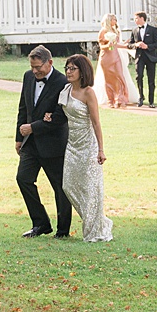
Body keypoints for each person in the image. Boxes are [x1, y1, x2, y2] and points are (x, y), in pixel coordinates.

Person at [15, 46, 72, 238]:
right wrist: (18, 137)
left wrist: (34, 127)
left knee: (60, 187)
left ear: (50, 63)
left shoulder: (63, 82)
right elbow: (23, 108)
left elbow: (60, 117)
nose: (34, 71)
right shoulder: (28, 77)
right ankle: (40, 224)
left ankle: (63, 231)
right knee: (23, 178)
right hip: (30, 143)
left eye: (38, 67)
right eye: (32, 67)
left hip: (54, 144)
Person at [58, 53, 113, 242]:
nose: (68, 71)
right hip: (72, 144)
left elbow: (96, 123)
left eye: (73, 68)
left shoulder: (88, 92)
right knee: (68, 185)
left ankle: (94, 229)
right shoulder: (65, 90)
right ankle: (95, 219)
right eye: (67, 68)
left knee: (90, 187)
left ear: (82, 72)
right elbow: (60, 114)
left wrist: (100, 149)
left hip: (88, 144)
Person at [96, 14, 135, 108]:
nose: (115, 21)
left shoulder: (115, 30)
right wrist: (108, 46)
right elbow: (101, 46)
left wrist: (127, 46)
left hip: (115, 56)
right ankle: (111, 99)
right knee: (109, 78)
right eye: (114, 19)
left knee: (120, 76)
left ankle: (121, 98)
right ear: (109, 20)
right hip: (106, 57)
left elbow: (116, 45)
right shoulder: (103, 31)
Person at [128, 11, 157, 106]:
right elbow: (129, 44)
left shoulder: (153, 29)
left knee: (151, 79)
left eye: (136, 18)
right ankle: (141, 97)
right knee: (139, 76)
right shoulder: (134, 30)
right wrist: (136, 44)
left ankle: (151, 101)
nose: (135, 20)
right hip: (140, 57)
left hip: (150, 57)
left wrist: (147, 46)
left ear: (142, 18)